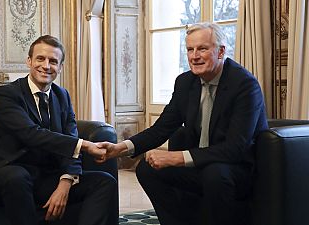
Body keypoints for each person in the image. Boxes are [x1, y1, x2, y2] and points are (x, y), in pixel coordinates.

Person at [98, 22, 268, 225]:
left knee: (214, 174)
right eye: (190, 49)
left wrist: (178, 158)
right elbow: (161, 129)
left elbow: (235, 149)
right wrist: (121, 148)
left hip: (237, 169)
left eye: (202, 49)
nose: (194, 56)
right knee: (147, 169)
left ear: (221, 51)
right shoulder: (185, 82)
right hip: (202, 165)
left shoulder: (244, 85)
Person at [0, 35, 116, 225]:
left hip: (44, 176)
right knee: (16, 177)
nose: (46, 66)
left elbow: (70, 137)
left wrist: (65, 182)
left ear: (60, 67)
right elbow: (32, 134)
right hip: (7, 172)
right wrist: (86, 145)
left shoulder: (62, 96)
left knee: (105, 181)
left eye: (53, 61)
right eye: (40, 59)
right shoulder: (6, 94)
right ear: (29, 61)